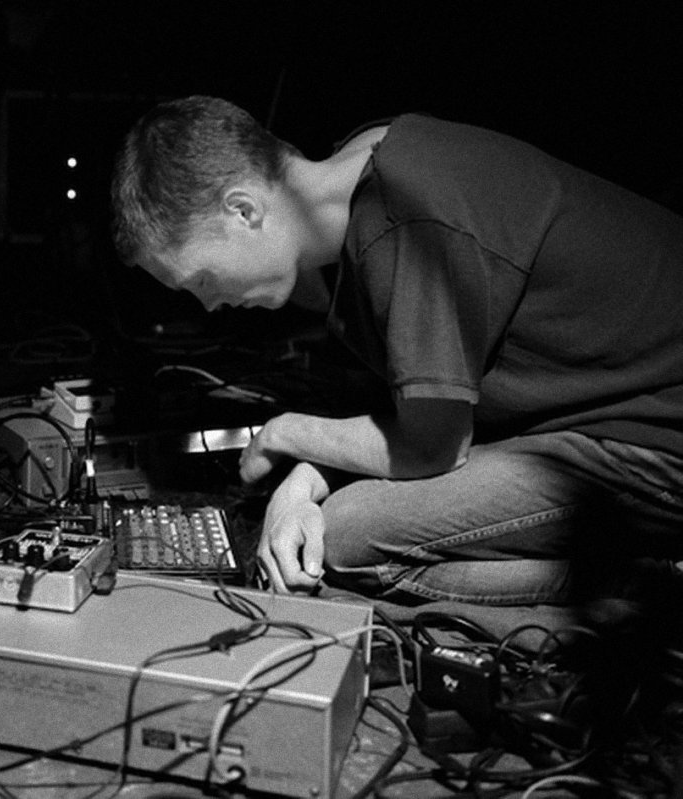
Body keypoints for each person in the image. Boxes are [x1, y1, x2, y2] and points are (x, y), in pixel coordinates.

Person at [110, 95, 683, 606]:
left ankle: (646, 586)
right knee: (330, 516)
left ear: (243, 210)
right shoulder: (372, 158)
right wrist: (303, 481)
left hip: (654, 442)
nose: (209, 305)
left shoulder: (407, 217)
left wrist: (285, 433)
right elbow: (414, 410)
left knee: (343, 538)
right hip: (599, 419)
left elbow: (434, 446)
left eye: (201, 280)